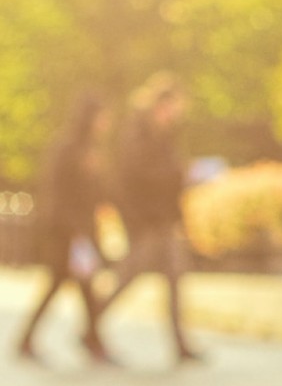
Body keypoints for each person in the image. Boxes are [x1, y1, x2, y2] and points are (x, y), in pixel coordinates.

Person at [99, 73, 201, 364]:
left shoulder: (165, 135)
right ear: (161, 104)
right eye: (175, 107)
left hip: (163, 221)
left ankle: (180, 344)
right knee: (128, 276)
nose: (177, 114)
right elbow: (134, 179)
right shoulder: (138, 134)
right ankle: (92, 324)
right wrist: (177, 173)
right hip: (145, 221)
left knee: (175, 276)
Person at [15, 92, 113, 365]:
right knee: (67, 283)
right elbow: (58, 193)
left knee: (82, 286)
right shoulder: (68, 149)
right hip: (65, 232)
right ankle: (90, 341)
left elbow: (94, 191)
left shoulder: (91, 149)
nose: (106, 123)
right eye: (102, 117)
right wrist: (74, 229)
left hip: (80, 230)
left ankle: (90, 340)